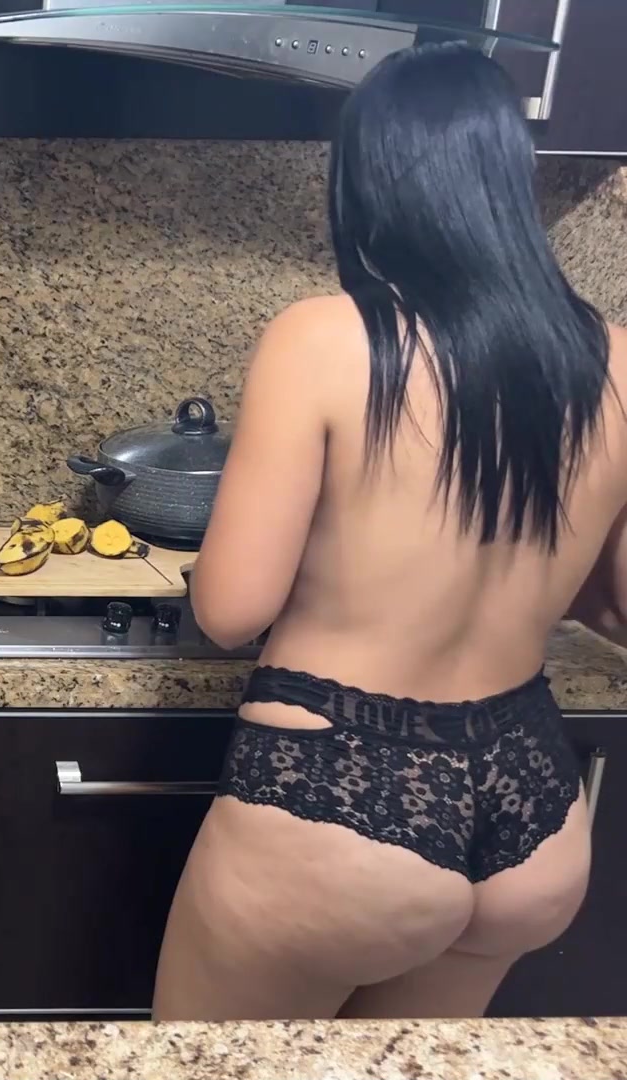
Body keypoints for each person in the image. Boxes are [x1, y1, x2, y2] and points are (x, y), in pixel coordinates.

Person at [155, 41, 627, 1021]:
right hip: (531, 803)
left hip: (341, 789)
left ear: (368, 181)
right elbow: (619, 610)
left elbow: (231, 609)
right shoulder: (615, 359)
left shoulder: (325, 338)